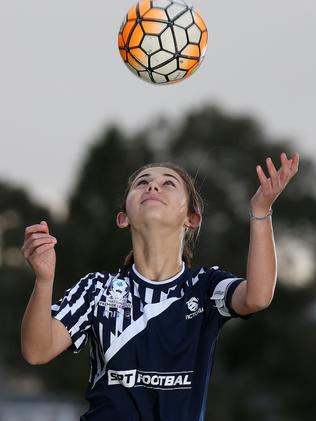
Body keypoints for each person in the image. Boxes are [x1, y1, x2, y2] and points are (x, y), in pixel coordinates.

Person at [21, 152, 299, 421]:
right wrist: (44, 281)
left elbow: (258, 296)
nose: (152, 185)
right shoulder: (96, 290)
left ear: (192, 219)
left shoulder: (204, 288)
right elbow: (36, 351)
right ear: (123, 217)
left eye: (168, 183)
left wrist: (261, 211)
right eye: (142, 182)